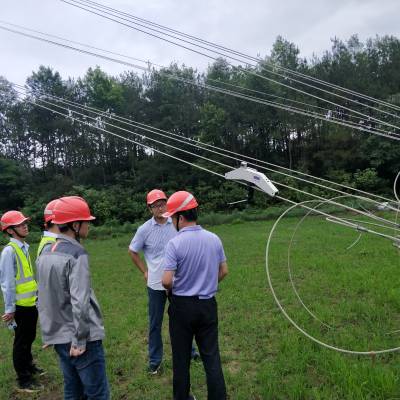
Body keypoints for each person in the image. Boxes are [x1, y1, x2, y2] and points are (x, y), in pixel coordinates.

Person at [36, 196, 110, 399]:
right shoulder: (77, 253)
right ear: (75, 225)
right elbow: (80, 301)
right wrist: (79, 341)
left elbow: (41, 297)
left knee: (73, 391)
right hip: (82, 339)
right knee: (97, 393)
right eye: (87, 221)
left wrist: (49, 333)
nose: (89, 225)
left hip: (59, 337)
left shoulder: (44, 253)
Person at [162, 191, 228, 400]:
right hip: (208, 305)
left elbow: (165, 280)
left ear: (180, 218)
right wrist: (207, 284)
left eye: (172, 218)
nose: (172, 222)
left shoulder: (175, 243)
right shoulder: (214, 239)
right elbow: (224, 271)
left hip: (182, 307)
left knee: (181, 360)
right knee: (212, 358)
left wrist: (174, 289)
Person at [128, 189, 199, 375]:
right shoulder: (144, 229)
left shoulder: (176, 222)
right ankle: (155, 361)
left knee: (183, 319)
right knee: (155, 324)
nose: (160, 207)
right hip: (155, 285)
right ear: (149, 208)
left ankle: (191, 352)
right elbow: (132, 251)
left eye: (162, 203)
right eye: (155, 205)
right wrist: (145, 271)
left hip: (177, 282)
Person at [0, 210, 43, 393]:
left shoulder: (24, 247)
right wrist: (10, 309)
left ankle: (29, 366)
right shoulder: (9, 251)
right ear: (10, 231)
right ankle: (23, 379)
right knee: (21, 342)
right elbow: (7, 283)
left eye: (25, 222)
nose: (25, 225)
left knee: (29, 338)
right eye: (19, 224)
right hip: (19, 307)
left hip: (31, 303)